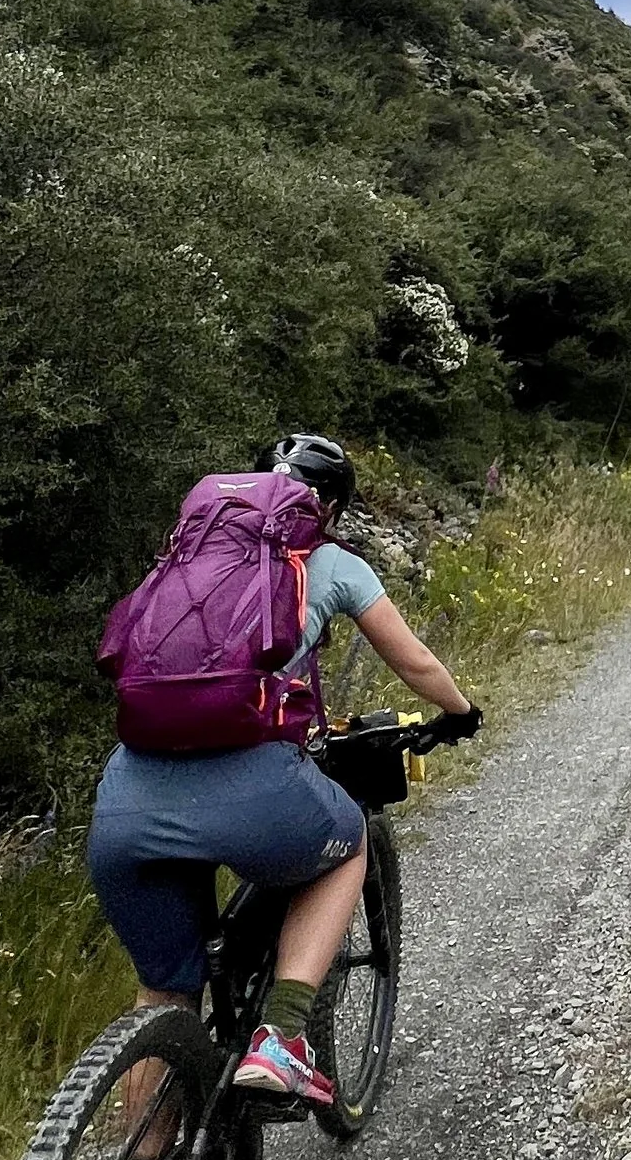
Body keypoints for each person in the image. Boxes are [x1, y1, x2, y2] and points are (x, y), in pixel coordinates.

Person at [87, 432, 478, 1107]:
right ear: (326, 506)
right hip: (252, 788)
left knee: (163, 993)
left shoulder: (187, 554)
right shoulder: (329, 559)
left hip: (125, 799)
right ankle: (283, 1037)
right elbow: (414, 661)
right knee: (348, 840)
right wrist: (461, 710)